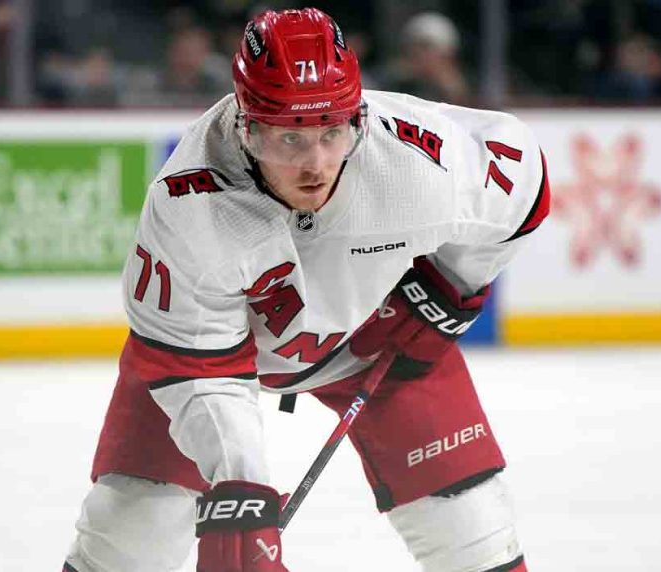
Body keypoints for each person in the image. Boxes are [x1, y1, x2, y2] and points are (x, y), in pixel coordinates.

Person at [63, 7, 548, 572]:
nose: (315, 164)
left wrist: (449, 285)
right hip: (211, 365)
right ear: (247, 127)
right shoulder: (190, 207)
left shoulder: (416, 164)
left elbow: (523, 186)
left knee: (472, 529)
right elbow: (201, 373)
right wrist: (241, 492)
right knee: (131, 531)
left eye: (332, 133)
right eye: (290, 138)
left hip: (375, 344)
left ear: (358, 120)